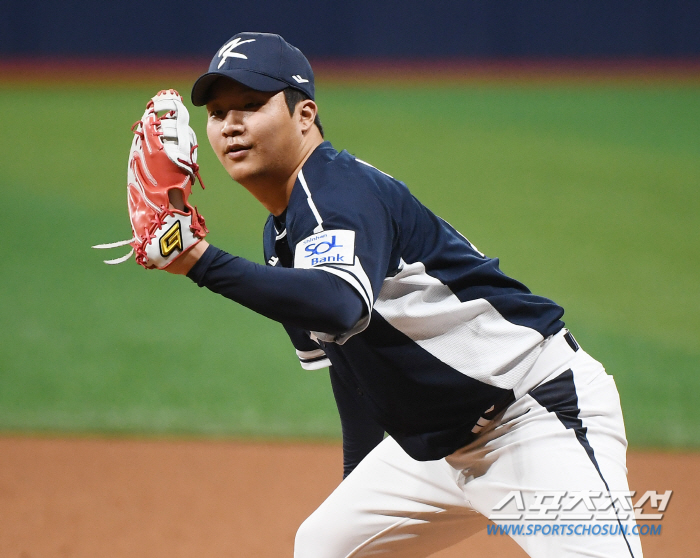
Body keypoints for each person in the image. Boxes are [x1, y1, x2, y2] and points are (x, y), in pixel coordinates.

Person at [167, 32, 643, 557]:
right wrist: (356, 487)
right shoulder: (283, 234)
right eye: (217, 113)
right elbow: (352, 373)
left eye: (252, 105)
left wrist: (201, 262)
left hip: (535, 415)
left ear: (305, 115)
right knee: (325, 545)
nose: (231, 124)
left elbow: (338, 302)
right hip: (438, 453)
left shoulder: (338, 191)